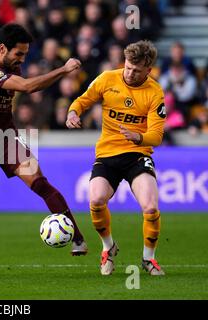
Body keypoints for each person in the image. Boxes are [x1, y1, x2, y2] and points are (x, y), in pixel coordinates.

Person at [0, 23, 87, 277]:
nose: (22, 59)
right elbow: (28, 87)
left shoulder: (11, 66)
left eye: (25, 54)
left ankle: (78, 238)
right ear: (2, 48)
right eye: (19, 54)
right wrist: (63, 69)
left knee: (40, 182)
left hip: (5, 138)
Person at [66, 40, 166, 276]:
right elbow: (82, 100)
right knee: (96, 200)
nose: (130, 73)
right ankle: (108, 247)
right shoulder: (107, 79)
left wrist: (138, 137)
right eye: (128, 67)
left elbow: (157, 136)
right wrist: (73, 112)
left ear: (148, 70)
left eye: (136, 70)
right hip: (107, 154)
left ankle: (148, 259)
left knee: (150, 208)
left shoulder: (154, 92)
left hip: (138, 155)